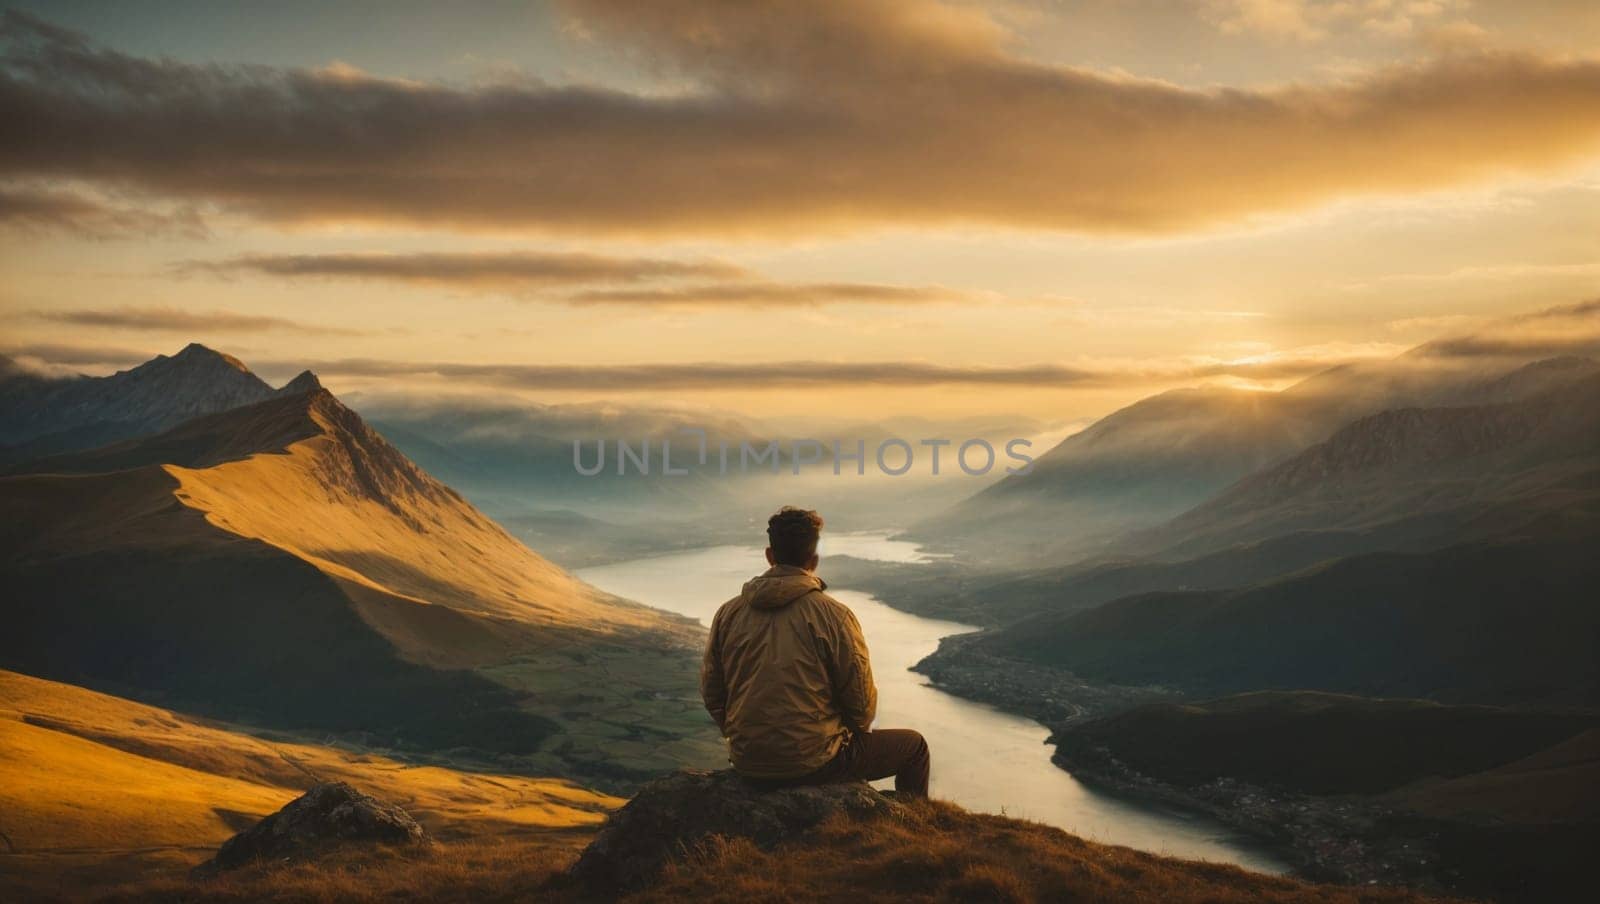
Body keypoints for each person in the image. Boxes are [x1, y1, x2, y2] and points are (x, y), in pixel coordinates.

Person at [700, 506, 931, 797]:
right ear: (814, 560)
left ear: (769, 556)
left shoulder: (728, 613)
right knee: (914, 748)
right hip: (815, 762)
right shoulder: (834, 615)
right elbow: (860, 705)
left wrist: (747, 738)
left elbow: (712, 693)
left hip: (748, 761)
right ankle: (914, 830)